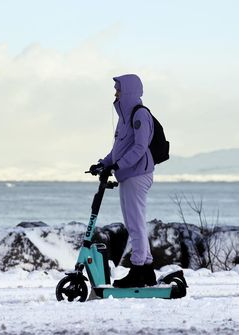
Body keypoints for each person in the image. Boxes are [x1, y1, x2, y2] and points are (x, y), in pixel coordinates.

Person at [89, 74, 156, 288]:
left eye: (118, 89)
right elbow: (118, 149)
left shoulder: (140, 115)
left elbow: (139, 147)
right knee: (133, 223)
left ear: (128, 91)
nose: (116, 92)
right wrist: (103, 164)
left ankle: (138, 270)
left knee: (135, 223)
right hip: (127, 174)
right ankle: (146, 270)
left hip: (137, 174)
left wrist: (118, 165)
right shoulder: (124, 117)